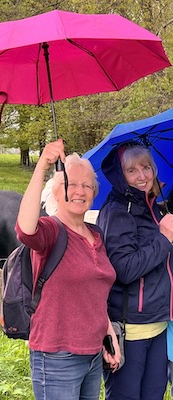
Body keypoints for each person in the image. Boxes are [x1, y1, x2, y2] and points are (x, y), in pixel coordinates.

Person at [16, 139, 120, 400]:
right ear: (55, 192)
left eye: (86, 185)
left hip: (93, 355)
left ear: (94, 194)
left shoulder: (96, 235)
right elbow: (26, 229)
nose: (79, 191)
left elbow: (94, 295)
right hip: (57, 356)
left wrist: (108, 337)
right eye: (71, 184)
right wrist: (42, 167)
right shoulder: (51, 231)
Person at [97, 142, 173, 400]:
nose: (142, 176)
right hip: (130, 329)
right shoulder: (116, 211)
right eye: (132, 170)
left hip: (159, 325)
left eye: (146, 167)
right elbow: (124, 269)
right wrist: (164, 239)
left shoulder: (152, 208)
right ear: (121, 175)